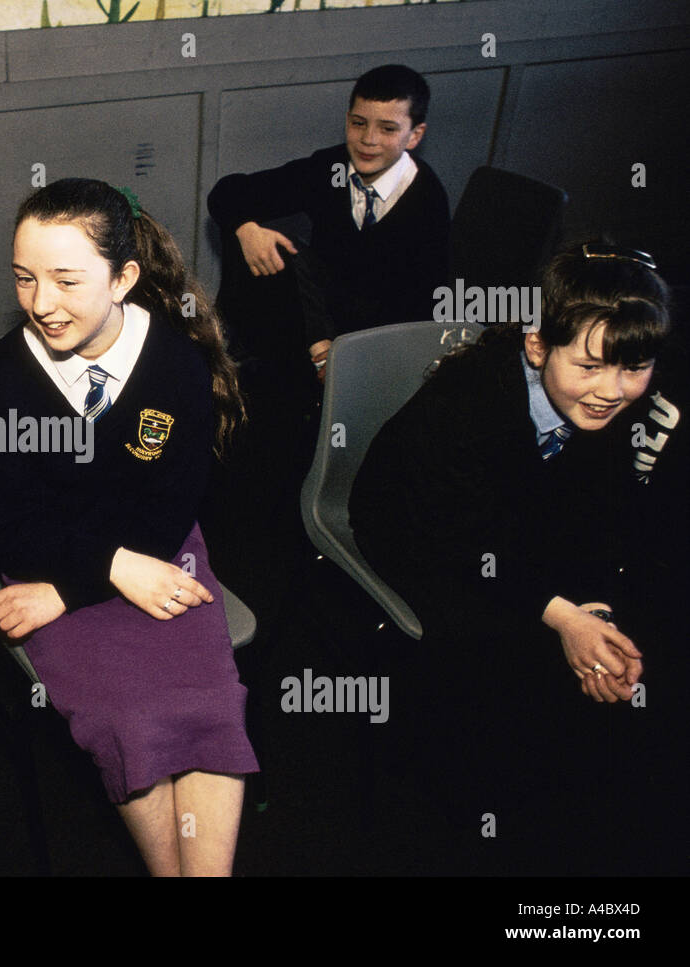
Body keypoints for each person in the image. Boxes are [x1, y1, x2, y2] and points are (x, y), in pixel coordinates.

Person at [349, 242, 686, 873]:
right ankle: (476, 812)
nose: (612, 391)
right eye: (589, 367)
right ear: (536, 345)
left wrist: (594, 610)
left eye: (632, 369)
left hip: (515, 531)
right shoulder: (467, 403)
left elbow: (599, 515)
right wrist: (562, 618)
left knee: (618, 648)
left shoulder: (604, 394)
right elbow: (455, 540)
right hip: (422, 534)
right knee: (502, 656)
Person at [0, 178, 259, 876]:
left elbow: (170, 507)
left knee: (211, 703)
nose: (42, 303)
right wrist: (99, 572)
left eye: (67, 280)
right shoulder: (8, 373)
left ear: (124, 276)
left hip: (158, 553)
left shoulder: (175, 363)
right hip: (50, 560)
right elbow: (4, 527)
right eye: (24, 278)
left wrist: (86, 581)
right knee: (130, 719)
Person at [208, 64, 450, 380]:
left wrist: (343, 357)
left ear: (415, 135)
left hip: (379, 346)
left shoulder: (427, 199)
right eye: (358, 123)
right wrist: (246, 229)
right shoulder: (332, 168)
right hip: (317, 326)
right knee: (261, 248)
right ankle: (238, 364)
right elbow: (228, 192)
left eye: (388, 129)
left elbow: (421, 309)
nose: (369, 140)